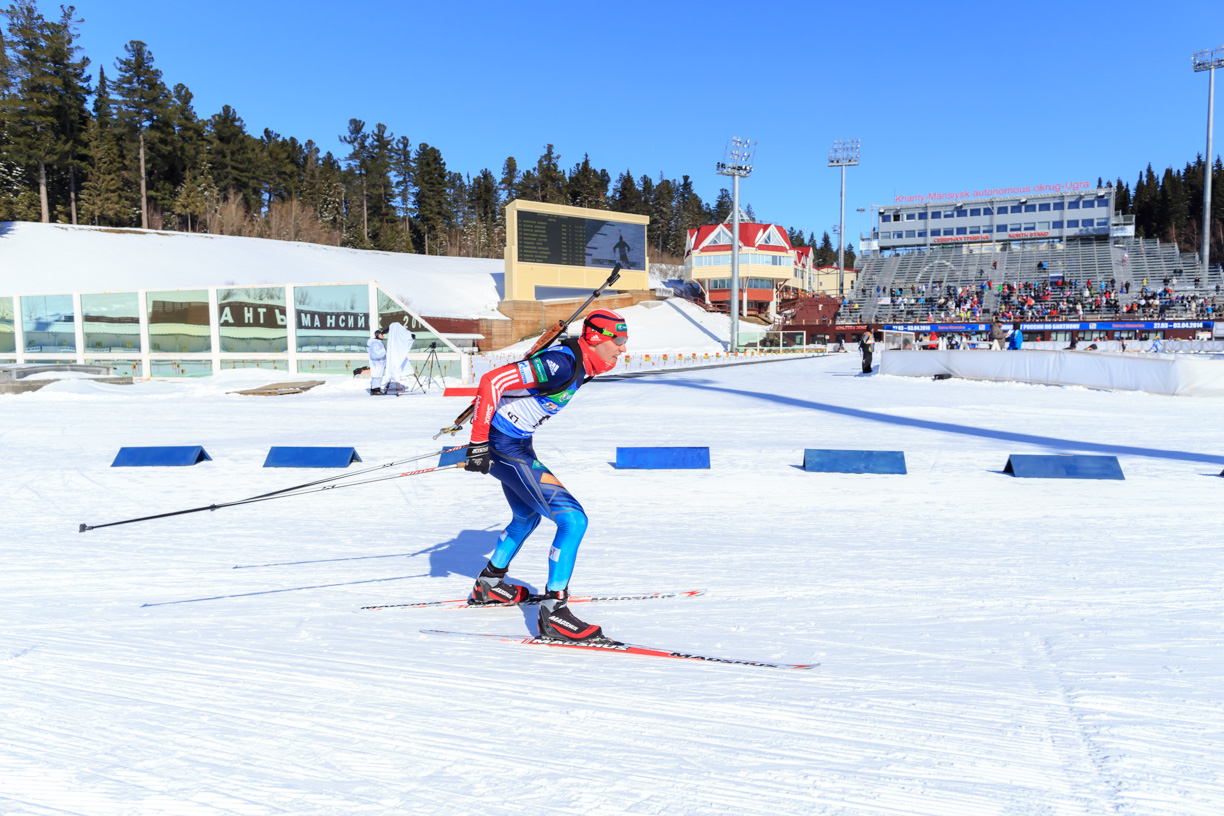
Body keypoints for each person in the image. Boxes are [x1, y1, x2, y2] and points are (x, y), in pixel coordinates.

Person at [463, 309, 629, 643]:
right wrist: (478, 443)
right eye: (618, 340)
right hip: (504, 446)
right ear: (595, 339)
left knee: (526, 517)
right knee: (573, 521)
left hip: (517, 442)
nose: (622, 348)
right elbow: (492, 381)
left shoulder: (584, 362)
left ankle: (489, 584)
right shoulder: (562, 363)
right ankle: (554, 613)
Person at [367, 329, 387, 394]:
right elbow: (375, 354)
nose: (382, 335)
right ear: (377, 335)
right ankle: (375, 390)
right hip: (376, 363)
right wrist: (385, 351)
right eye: (381, 334)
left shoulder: (378, 343)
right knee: (376, 376)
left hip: (379, 363)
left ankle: (376, 389)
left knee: (378, 376)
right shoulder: (374, 343)